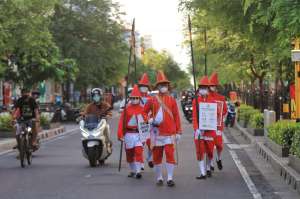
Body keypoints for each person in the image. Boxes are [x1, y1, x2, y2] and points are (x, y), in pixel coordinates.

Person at [144, 71, 181, 187]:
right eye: (161, 85)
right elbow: (143, 112)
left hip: (170, 133)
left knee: (170, 155)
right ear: (158, 87)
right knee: (157, 156)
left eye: (165, 85)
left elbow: (176, 116)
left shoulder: (172, 100)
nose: (163, 87)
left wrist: (179, 131)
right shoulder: (152, 100)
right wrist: (148, 120)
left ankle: (170, 178)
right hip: (157, 133)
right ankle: (159, 178)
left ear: (167, 86)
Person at [117, 85, 148, 179]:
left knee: (138, 151)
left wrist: (145, 132)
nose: (135, 100)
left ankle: (138, 171)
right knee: (129, 154)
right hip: (128, 134)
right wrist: (120, 134)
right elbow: (121, 123)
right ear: (130, 99)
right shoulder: (126, 109)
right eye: (133, 98)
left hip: (138, 134)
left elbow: (145, 122)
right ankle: (133, 170)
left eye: (136, 98)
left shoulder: (142, 109)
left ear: (139, 98)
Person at [192, 76, 217, 179]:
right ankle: (202, 172)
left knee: (210, 151)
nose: (203, 89)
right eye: (201, 87)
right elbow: (194, 116)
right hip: (199, 131)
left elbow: (214, 116)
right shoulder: (196, 101)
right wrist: (197, 128)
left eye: (205, 88)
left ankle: (208, 168)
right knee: (200, 151)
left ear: (208, 89)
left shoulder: (212, 101)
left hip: (210, 131)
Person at [83, 88, 112, 152]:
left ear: (100, 96)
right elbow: (85, 113)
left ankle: (108, 144)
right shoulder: (90, 106)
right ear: (92, 97)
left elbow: (110, 113)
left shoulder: (105, 105)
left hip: (102, 123)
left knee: (106, 128)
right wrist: (82, 116)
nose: (96, 97)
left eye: (97, 96)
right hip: (92, 124)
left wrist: (107, 116)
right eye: (94, 96)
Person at [209, 72, 228, 170]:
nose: (212, 87)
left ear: (216, 87)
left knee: (219, 145)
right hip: (208, 126)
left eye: (213, 86)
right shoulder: (205, 98)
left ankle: (218, 158)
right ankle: (211, 163)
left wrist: (222, 116)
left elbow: (224, 110)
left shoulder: (221, 98)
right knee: (210, 145)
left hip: (218, 125)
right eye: (210, 86)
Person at [138, 73, 153, 169]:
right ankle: (140, 163)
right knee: (140, 144)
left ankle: (150, 158)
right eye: (142, 86)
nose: (144, 88)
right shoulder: (135, 98)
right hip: (138, 123)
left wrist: (152, 118)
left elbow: (154, 109)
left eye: (145, 86)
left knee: (150, 142)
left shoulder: (151, 98)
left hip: (149, 123)